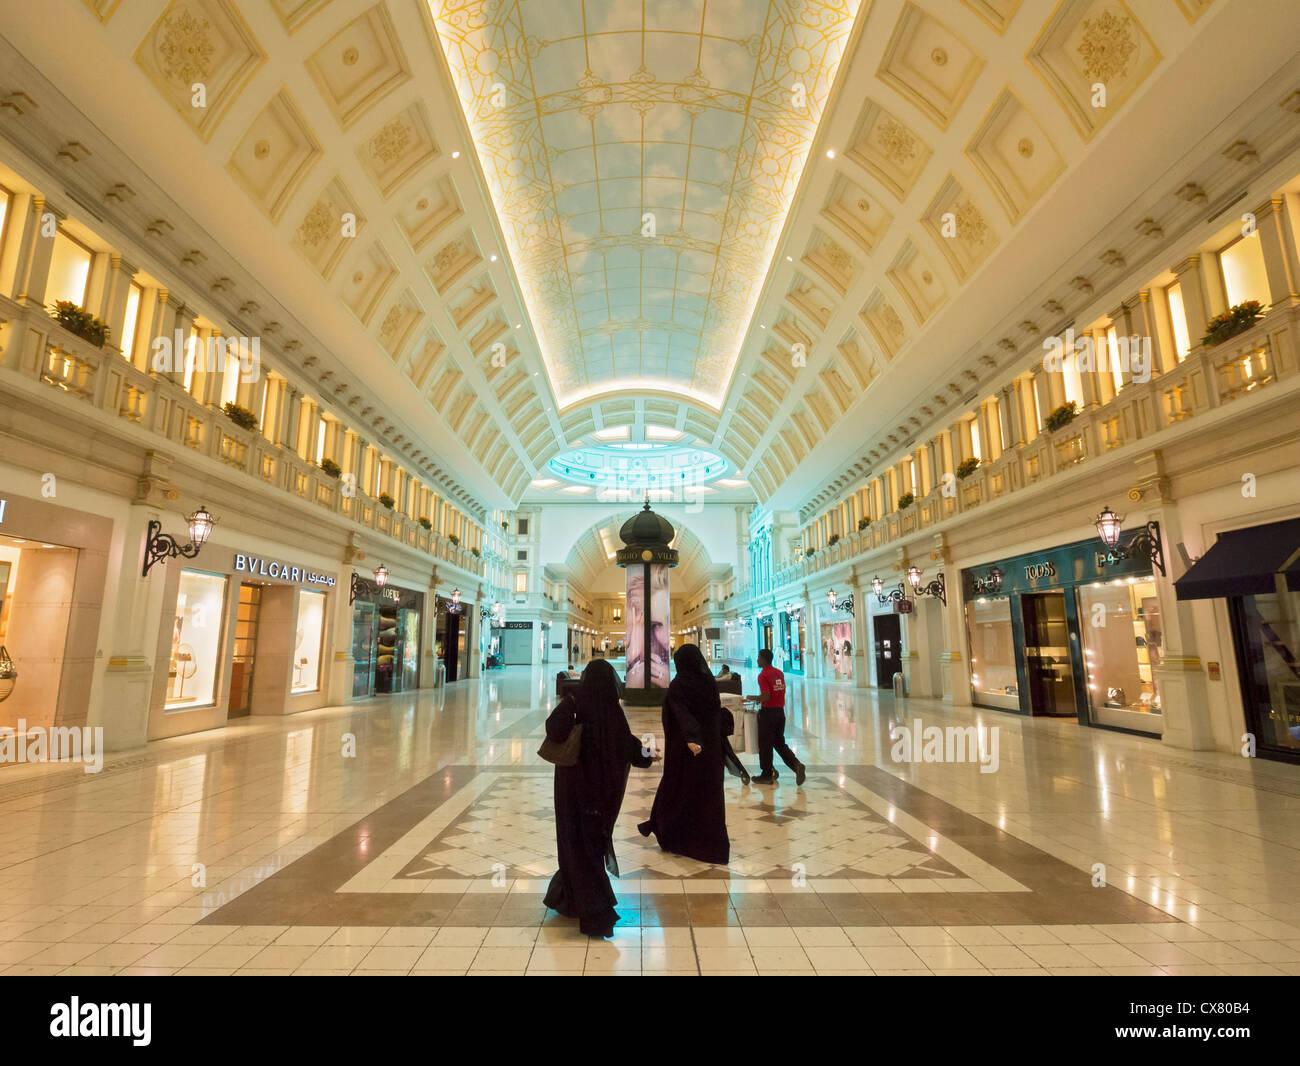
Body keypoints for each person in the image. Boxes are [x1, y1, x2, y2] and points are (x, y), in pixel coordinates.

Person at [543, 659, 656, 938]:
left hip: (573, 796)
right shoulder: (613, 713)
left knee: (575, 845)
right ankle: (572, 898)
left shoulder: (577, 704)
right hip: (600, 799)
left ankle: (595, 911)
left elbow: (553, 729)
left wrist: (570, 704)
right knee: (590, 846)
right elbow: (629, 747)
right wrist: (648, 755)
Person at [638, 644, 731, 863]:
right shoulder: (709, 682)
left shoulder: (679, 684)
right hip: (710, 750)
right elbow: (715, 713)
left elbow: (680, 713)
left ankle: (676, 836)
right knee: (707, 795)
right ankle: (709, 843)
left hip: (686, 751)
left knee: (680, 790)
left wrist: (691, 737)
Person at [745, 648, 806, 786]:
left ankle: (766, 775)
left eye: (759, 657)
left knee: (765, 745)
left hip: (768, 714)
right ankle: (796, 765)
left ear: (764, 659)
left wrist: (753, 697)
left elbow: (766, 696)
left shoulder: (763, 675)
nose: (757, 660)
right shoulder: (779, 672)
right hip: (780, 713)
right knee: (779, 743)